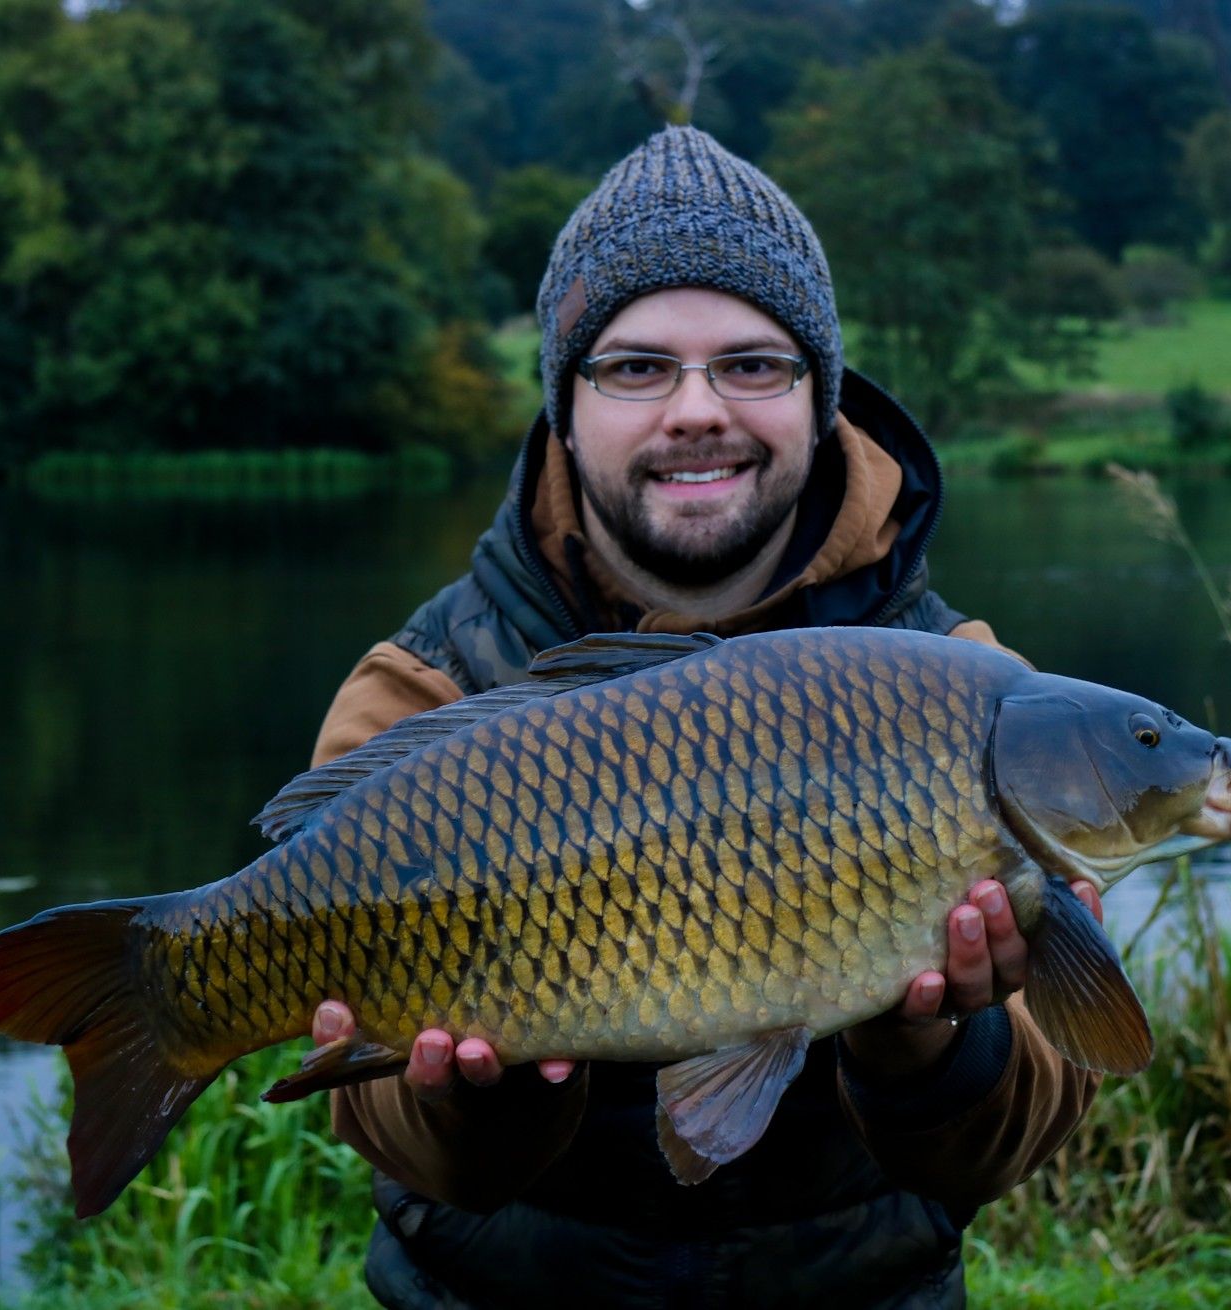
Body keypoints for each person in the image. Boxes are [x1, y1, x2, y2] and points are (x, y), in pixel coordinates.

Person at [304, 126, 1102, 1309]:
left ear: (820, 397)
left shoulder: (970, 692)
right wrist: (482, 1093)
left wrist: (925, 1042)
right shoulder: (429, 688)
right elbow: (381, 1122)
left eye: (752, 364)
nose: (695, 410)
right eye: (635, 367)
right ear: (565, 407)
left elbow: (1014, 1136)